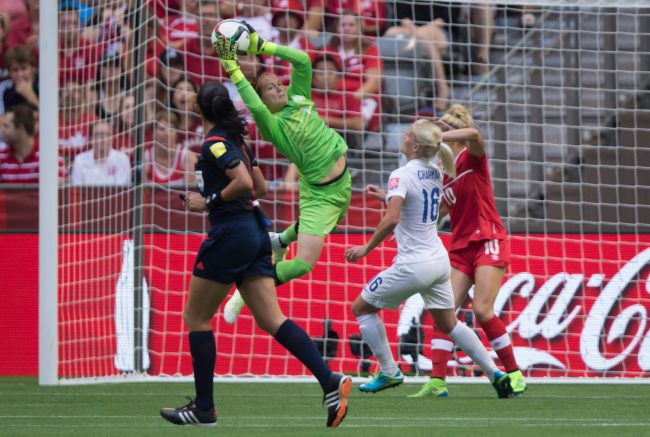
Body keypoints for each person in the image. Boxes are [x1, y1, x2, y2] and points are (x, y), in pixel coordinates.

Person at [159, 81, 351, 428]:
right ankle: (329, 381)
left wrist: (209, 201)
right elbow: (260, 186)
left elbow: (246, 185)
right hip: (253, 233)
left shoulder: (215, 143)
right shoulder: (237, 141)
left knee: (196, 317)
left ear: (198, 110)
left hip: (230, 234)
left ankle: (204, 409)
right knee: (271, 319)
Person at [344, 119, 513, 398]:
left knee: (361, 307)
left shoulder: (401, 174)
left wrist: (366, 248)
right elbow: (417, 205)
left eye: (409, 132)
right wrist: (387, 196)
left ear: (416, 145)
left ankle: (388, 371)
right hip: (437, 260)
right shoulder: (435, 172)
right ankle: (496, 374)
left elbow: (393, 218)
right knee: (449, 324)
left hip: (414, 264)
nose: (404, 133)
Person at [213, 24, 352, 323]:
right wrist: (233, 69)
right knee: (303, 264)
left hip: (343, 184)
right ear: (263, 102)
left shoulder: (300, 98)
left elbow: (301, 60)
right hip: (319, 194)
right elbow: (250, 98)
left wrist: (262, 46)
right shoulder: (271, 125)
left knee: (328, 224)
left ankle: (279, 240)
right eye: (270, 88)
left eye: (279, 84)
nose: (279, 88)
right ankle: (248, 288)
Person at [0, 104, 66, 183]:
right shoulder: (1, 156)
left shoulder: (50, 158)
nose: (2, 130)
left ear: (21, 128)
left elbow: (58, 193)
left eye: (6, 126)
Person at [69, 119, 131, 186]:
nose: (102, 139)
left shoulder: (122, 159)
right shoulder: (80, 160)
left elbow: (121, 191)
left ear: (112, 138)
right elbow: (77, 190)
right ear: (91, 139)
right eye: (98, 135)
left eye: (107, 135)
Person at [144, 110, 196, 186]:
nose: (167, 133)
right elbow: (142, 196)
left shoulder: (188, 158)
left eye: (171, 129)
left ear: (176, 133)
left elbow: (190, 195)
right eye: (162, 129)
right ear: (153, 133)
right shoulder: (145, 158)